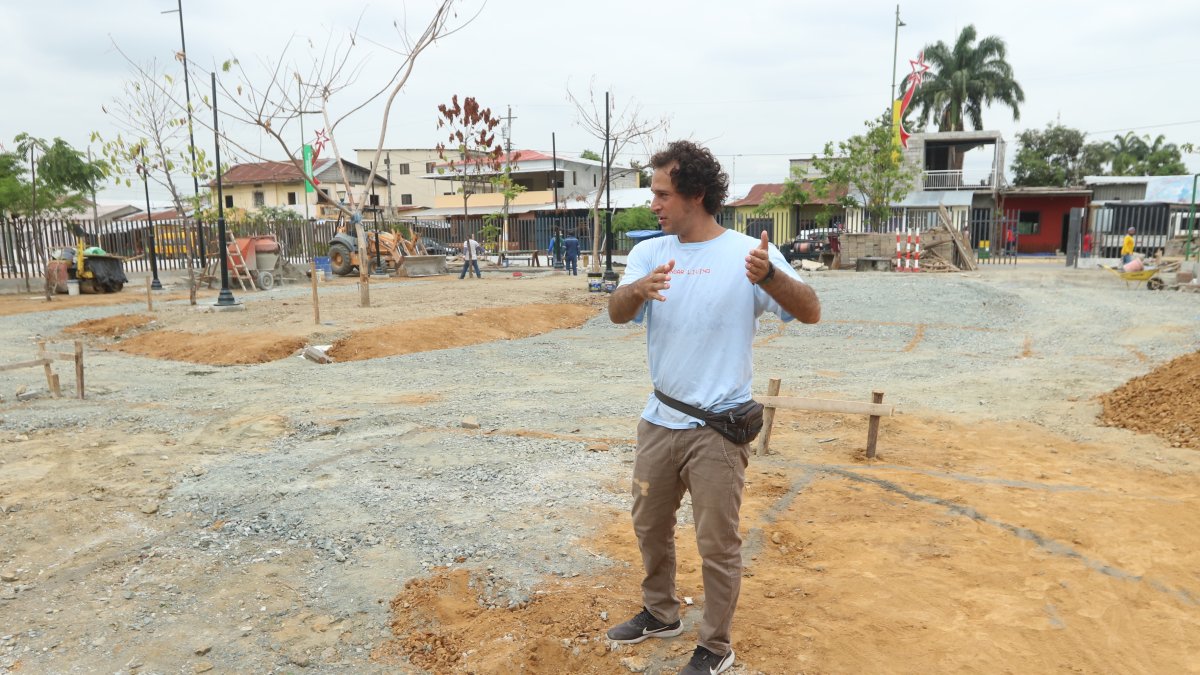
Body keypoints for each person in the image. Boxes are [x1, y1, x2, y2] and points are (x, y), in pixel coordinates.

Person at [605, 140, 820, 675]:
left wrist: (771, 276)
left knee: (717, 543)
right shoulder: (650, 253)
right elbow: (614, 312)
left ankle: (716, 646)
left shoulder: (747, 254)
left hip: (717, 430)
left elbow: (811, 312)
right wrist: (635, 291)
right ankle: (660, 613)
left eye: (662, 193)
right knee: (648, 525)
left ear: (695, 194)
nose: (653, 204)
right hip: (659, 420)